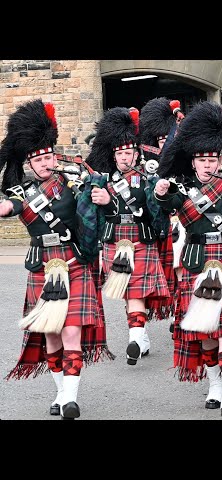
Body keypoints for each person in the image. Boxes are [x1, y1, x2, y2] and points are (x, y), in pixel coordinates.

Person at [0, 99, 113, 419]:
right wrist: (6, 208)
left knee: (72, 331)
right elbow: (9, 207)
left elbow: (101, 209)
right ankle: (62, 392)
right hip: (43, 266)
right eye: (40, 159)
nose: (47, 163)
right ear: (30, 164)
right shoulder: (21, 192)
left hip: (74, 263)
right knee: (52, 334)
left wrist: (103, 199)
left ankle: (70, 399)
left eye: (50, 156)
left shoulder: (75, 182)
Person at [153, 101, 222, 417]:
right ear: (193, 160)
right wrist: (161, 192)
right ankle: (216, 385)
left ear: (219, 158)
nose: (207, 165)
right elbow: (162, 207)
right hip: (196, 263)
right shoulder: (184, 188)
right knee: (206, 336)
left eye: (212, 158)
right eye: (201, 159)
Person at [86, 106, 170, 365]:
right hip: (114, 241)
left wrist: (158, 194)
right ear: (114, 155)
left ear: (136, 154)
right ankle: (140, 336)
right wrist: (99, 201)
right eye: (120, 153)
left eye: (128, 153)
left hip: (140, 239)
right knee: (127, 292)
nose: (124, 158)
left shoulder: (148, 179)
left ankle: (135, 338)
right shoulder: (102, 181)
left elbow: (157, 217)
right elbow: (92, 218)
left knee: (134, 292)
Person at [139, 97, 185, 329]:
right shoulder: (148, 164)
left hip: (182, 222)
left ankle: (180, 312)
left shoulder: (183, 159)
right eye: (160, 140)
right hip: (159, 224)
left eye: (166, 139)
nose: (163, 143)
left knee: (182, 270)